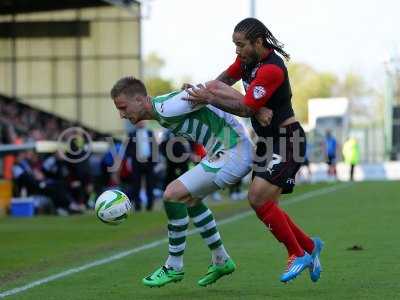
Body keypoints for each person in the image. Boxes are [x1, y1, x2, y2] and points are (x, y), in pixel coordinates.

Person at [185, 17, 323, 283]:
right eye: (234, 45)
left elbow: (246, 108)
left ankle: (298, 253)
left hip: (287, 140)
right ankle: (309, 246)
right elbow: (221, 82)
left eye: (240, 45)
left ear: (258, 42)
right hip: (267, 142)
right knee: (266, 204)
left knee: (257, 198)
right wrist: (198, 93)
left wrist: (211, 98)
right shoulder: (247, 61)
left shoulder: (271, 69)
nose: (237, 51)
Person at [110, 76, 253, 288]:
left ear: (140, 99)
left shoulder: (168, 108)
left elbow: (211, 89)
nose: (122, 115)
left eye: (123, 107)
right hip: (223, 150)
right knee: (190, 199)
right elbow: (202, 101)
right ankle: (221, 259)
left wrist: (252, 107)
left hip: (233, 151)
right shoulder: (163, 108)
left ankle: (174, 266)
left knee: (171, 194)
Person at [126, 121, 157, 211]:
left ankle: (150, 205)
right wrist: (130, 159)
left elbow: (155, 147)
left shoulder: (150, 133)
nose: (141, 123)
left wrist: (155, 161)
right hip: (136, 162)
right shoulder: (132, 134)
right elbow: (128, 149)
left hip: (149, 161)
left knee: (150, 184)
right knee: (136, 184)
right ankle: (138, 206)